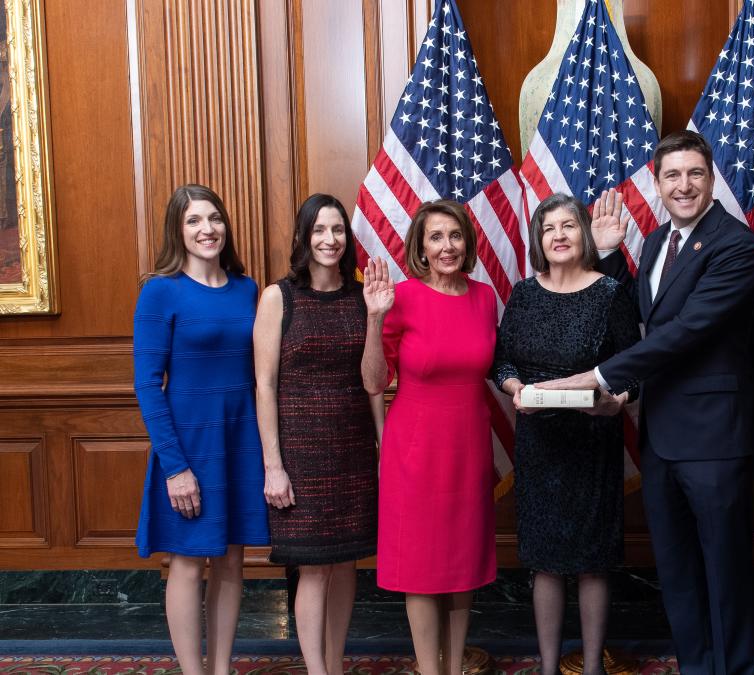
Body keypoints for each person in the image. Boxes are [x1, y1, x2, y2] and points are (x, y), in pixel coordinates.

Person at [541, 131, 754, 675]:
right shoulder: (660, 240)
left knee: (725, 574)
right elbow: (648, 315)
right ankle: (696, 668)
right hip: (661, 434)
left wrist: (600, 375)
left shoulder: (735, 244)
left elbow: (687, 330)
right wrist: (610, 256)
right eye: (672, 176)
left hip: (713, 439)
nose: (683, 185)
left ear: (711, 179)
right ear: (658, 184)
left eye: (695, 174)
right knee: (678, 573)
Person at [491, 193, 640, 674]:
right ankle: (549, 667)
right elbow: (502, 361)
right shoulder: (523, 294)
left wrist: (616, 402)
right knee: (545, 561)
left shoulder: (610, 293)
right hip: (538, 446)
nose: (558, 235)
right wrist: (516, 389)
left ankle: (592, 666)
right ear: (538, 239)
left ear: (584, 235)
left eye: (568, 226)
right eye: (548, 228)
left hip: (592, 443)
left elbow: (634, 370)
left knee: (593, 560)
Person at [133, 184, 269, 675]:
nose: (207, 229)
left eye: (214, 218)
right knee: (189, 562)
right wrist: (175, 468)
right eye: (193, 221)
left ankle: (220, 668)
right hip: (189, 445)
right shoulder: (160, 290)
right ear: (178, 230)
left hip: (240, 440)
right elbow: (147, 385)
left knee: (231, 559)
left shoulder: (247, 289)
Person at [360, 200, 497, 675]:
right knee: (419, 567)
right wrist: (374, 320)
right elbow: (374, 381)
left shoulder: (484, 298)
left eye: (455, 235)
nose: (447, 246)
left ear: (467, 242)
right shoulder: (400, 298)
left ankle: (454, 668)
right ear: (420, 248)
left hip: (469, 447)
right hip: (415, 451)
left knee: (463, 566)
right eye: (436, 237)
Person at [253, 194, 383, 675]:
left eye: (338, 230)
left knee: (346, 562)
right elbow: (264, 385)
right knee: (313, 567)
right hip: (300, 456)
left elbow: (373, 382)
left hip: (352, 451)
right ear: (303, 237)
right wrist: (273, 466)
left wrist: (384, 444)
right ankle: (316, 670)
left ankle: (335, 663)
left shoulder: (360, 297)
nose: (330, 239)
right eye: (320, 230)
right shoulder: (278, 297)